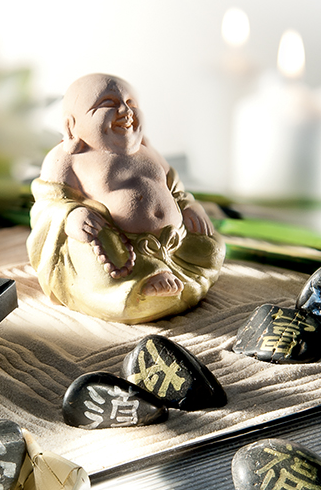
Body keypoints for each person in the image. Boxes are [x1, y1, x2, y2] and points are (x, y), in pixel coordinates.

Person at [27, 74, 224, 323]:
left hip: (173, 242)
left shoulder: (147, 151)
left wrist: (188, 205)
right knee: (89, 249)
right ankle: (144, 279)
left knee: (211, 248)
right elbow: (48, 204)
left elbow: (173, 186)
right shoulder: (66, 158)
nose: (126, 111)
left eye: (131, 103)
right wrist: (71, 215)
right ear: (71, 125)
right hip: (121, 249)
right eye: (109, 103)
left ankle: (168, 271)